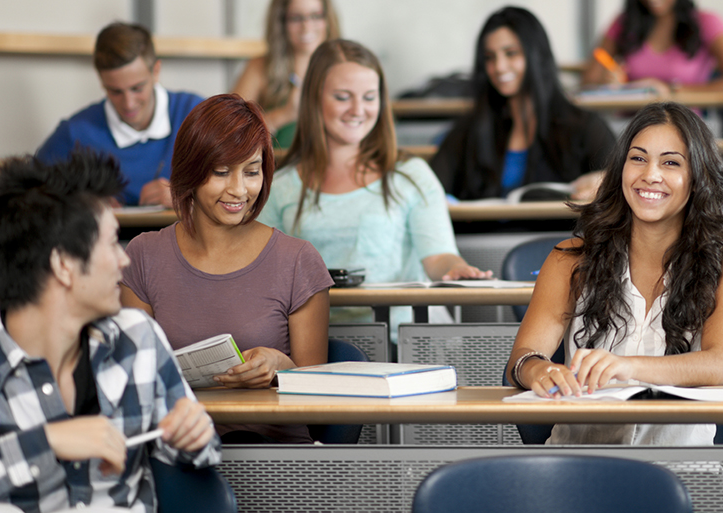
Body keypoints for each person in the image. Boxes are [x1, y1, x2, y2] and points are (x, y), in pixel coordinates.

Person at [0, 151, 219, 512]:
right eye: (111, 243)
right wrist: (43, 444)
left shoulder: (138, 339)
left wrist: (193, 436)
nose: (124, 259)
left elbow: (203, 453)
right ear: (64, 263)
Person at [505, 102, 723, 445]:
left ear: (696, 178)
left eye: (670, 162)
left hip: (684, 469)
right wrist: (537, 369)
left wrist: (627, 367)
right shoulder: (570, 258)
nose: (650, 174)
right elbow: (522, 357)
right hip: (577, 464)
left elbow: (721, 366)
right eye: (638, 158)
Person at [121, 94, 333, 444]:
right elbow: (131, 384)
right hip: (176, 454)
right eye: (221, 172)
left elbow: (321, 398)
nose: (238, 190)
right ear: (190, 170)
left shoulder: (297, 260)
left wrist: (281, 367)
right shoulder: (144, 255)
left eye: (252, 172)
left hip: (274, 459)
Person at [258, 39, 491, 333]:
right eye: (343, 97)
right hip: (316, 345)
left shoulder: (410, 175)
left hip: (402, 340)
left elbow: (438, 255)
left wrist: (455, 270)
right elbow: (266, 277)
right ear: (314, 99)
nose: (358, 109)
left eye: (369, 97)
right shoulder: (281, 187)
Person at [430, 7, 616, 201]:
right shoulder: (469, 131)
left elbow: (619, 183)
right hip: (484, 232)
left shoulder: (584, 127)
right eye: (489, 57)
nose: (499, 67)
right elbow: (429, 189)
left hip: (559, 232)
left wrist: (602, 181)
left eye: (511, 53)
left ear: (536, 56)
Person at [37, 22, 203, 208]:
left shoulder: (196, 114)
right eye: (115, 91)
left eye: (137, 88)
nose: (128, 103)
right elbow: (28, 195)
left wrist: (188, 197)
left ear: (156, 71)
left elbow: (236, 188)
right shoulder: (75, 133)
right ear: (101, 81)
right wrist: (79, 203)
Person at [231, 0, 341, 150]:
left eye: (316, 16)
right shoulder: (259, 67)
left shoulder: (343, 67)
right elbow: (229, 132)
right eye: (296, 18)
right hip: (275, 168)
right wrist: (285, 114)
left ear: (328, 19)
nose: (306, 26)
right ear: (281, 23)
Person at [581, 0, 723, 96]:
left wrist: (670, 91)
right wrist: (606, 82)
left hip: (685, 127)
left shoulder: (707, 22)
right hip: (631, 126)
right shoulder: (623, 23)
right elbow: (588, 82)